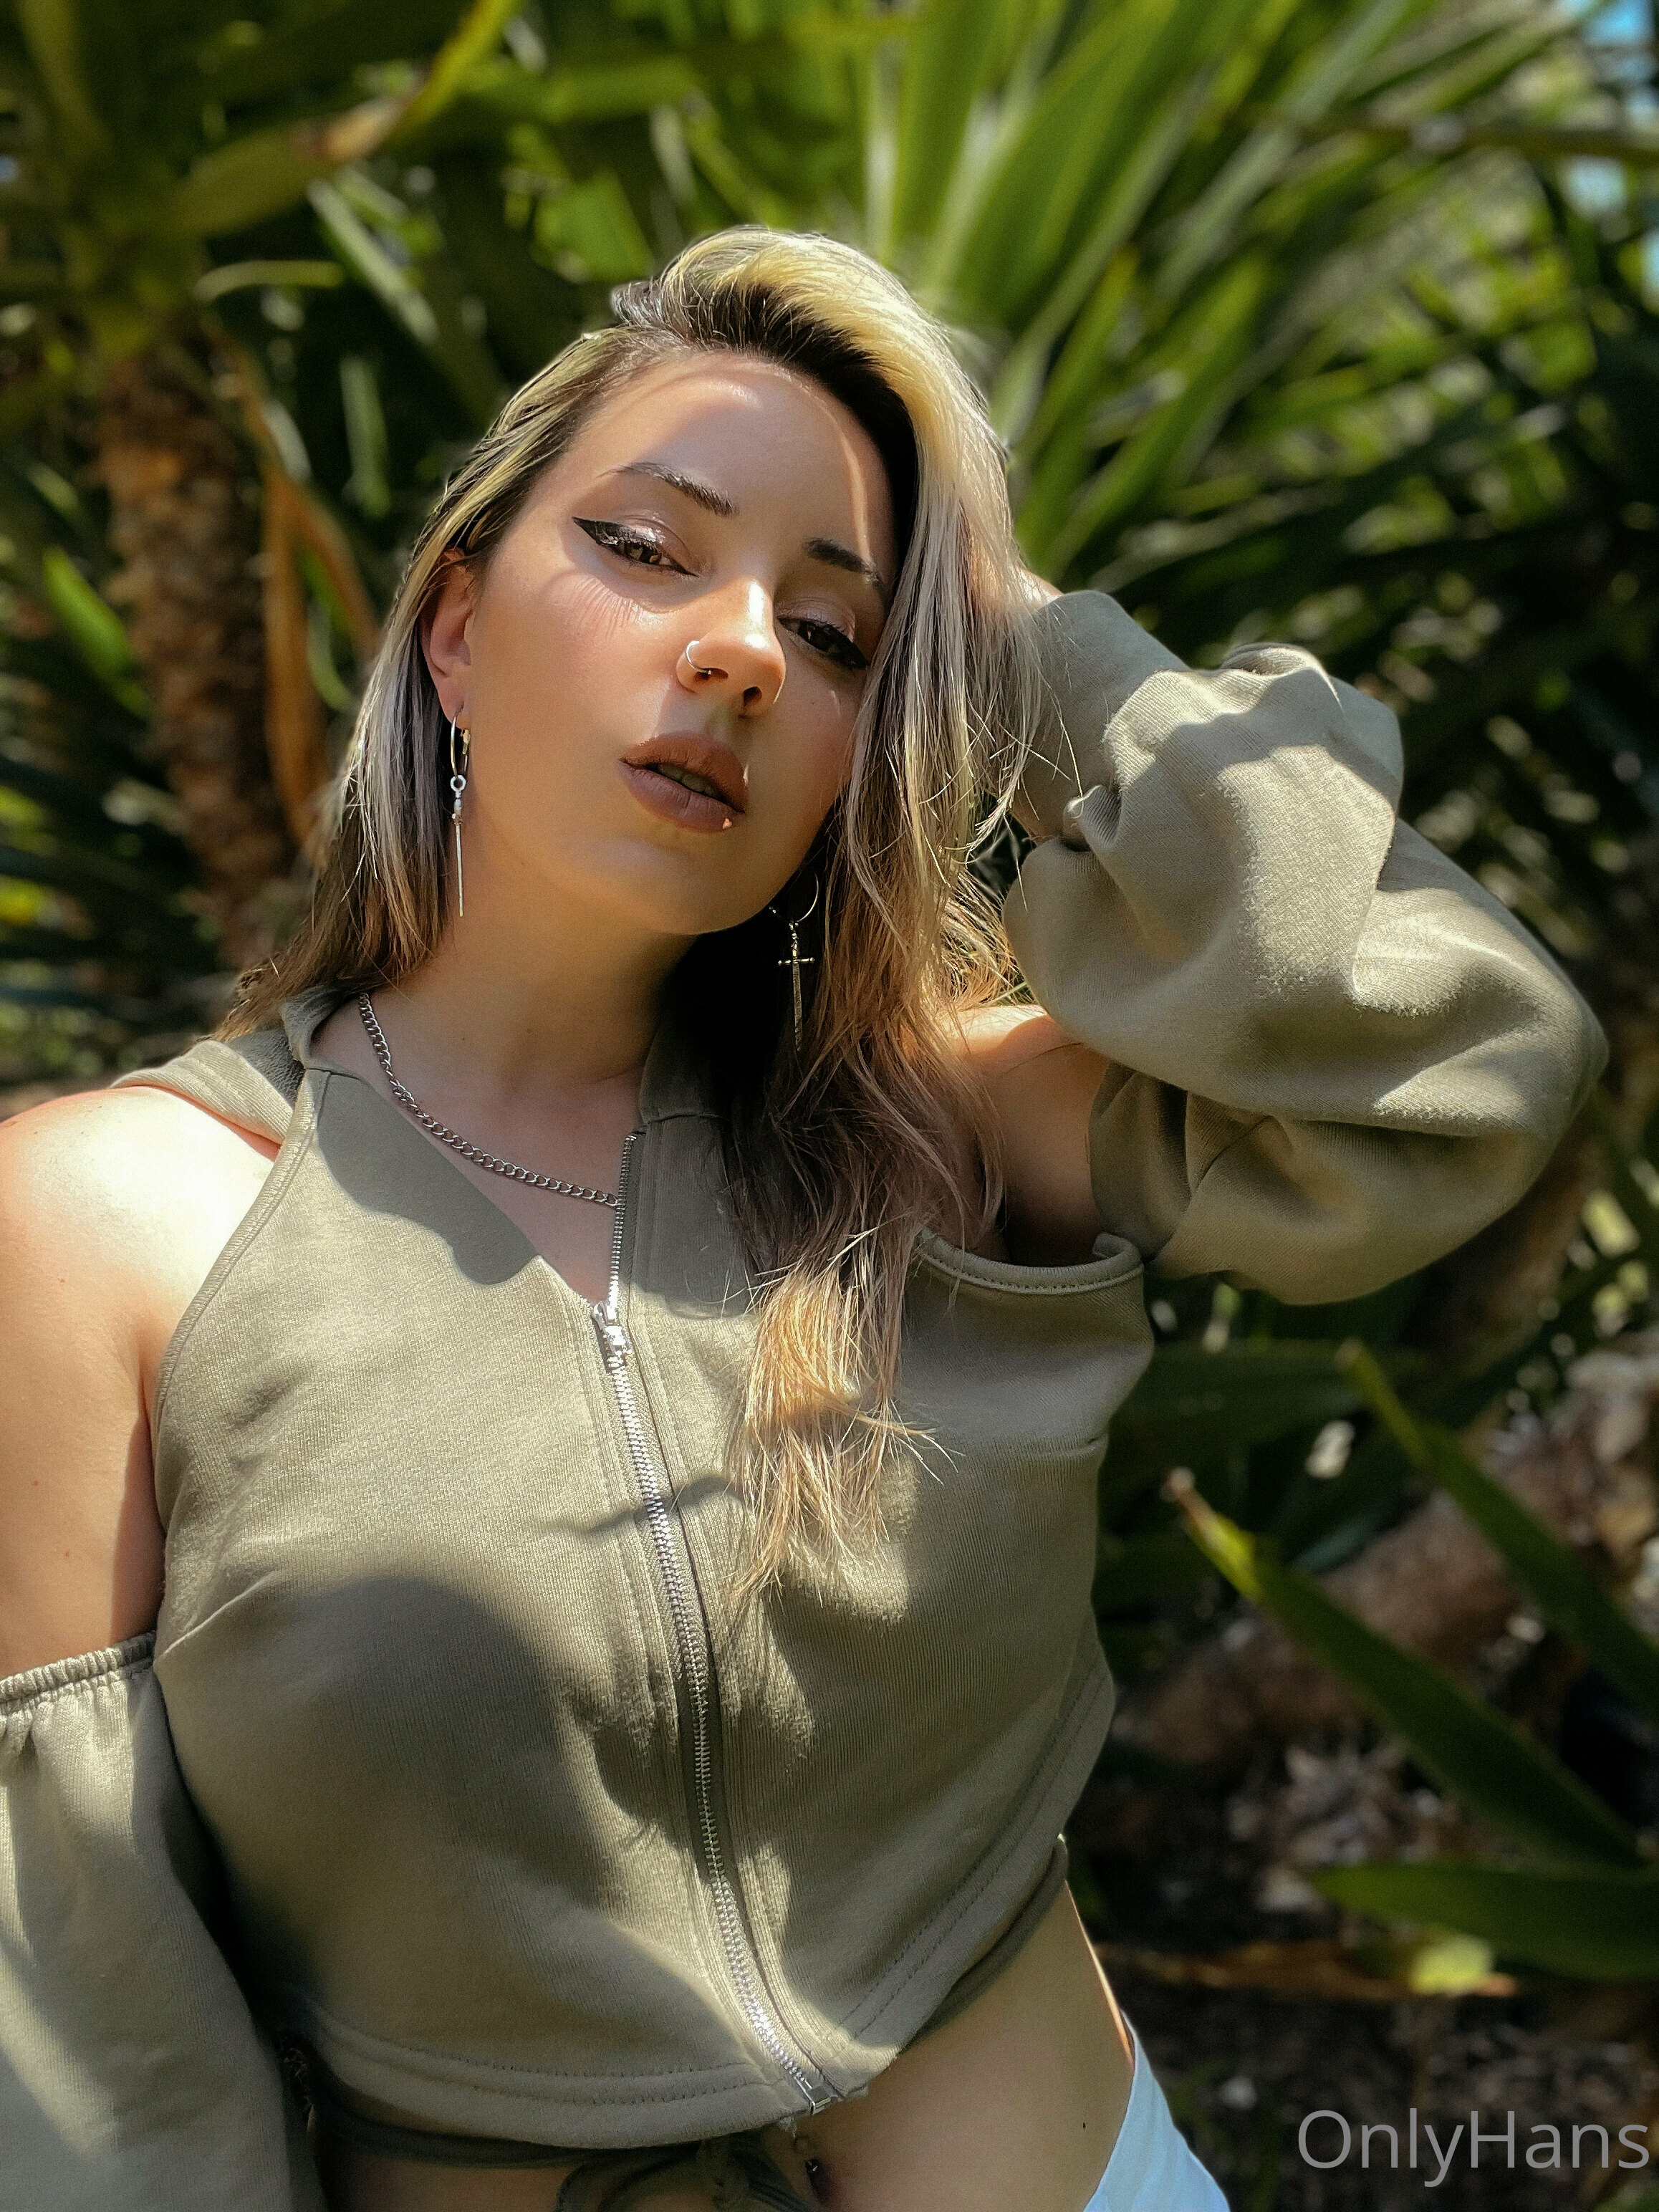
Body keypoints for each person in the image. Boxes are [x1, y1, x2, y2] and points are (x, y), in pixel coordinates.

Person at [0, 229, 1601, 2212]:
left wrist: (1012, 639)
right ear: (455, 633)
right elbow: (93, 2044)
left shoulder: (929, 1125)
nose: (745, 651)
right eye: (645, 548)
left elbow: (1462, 1066)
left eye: (837, 637)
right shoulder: (117, 1224)